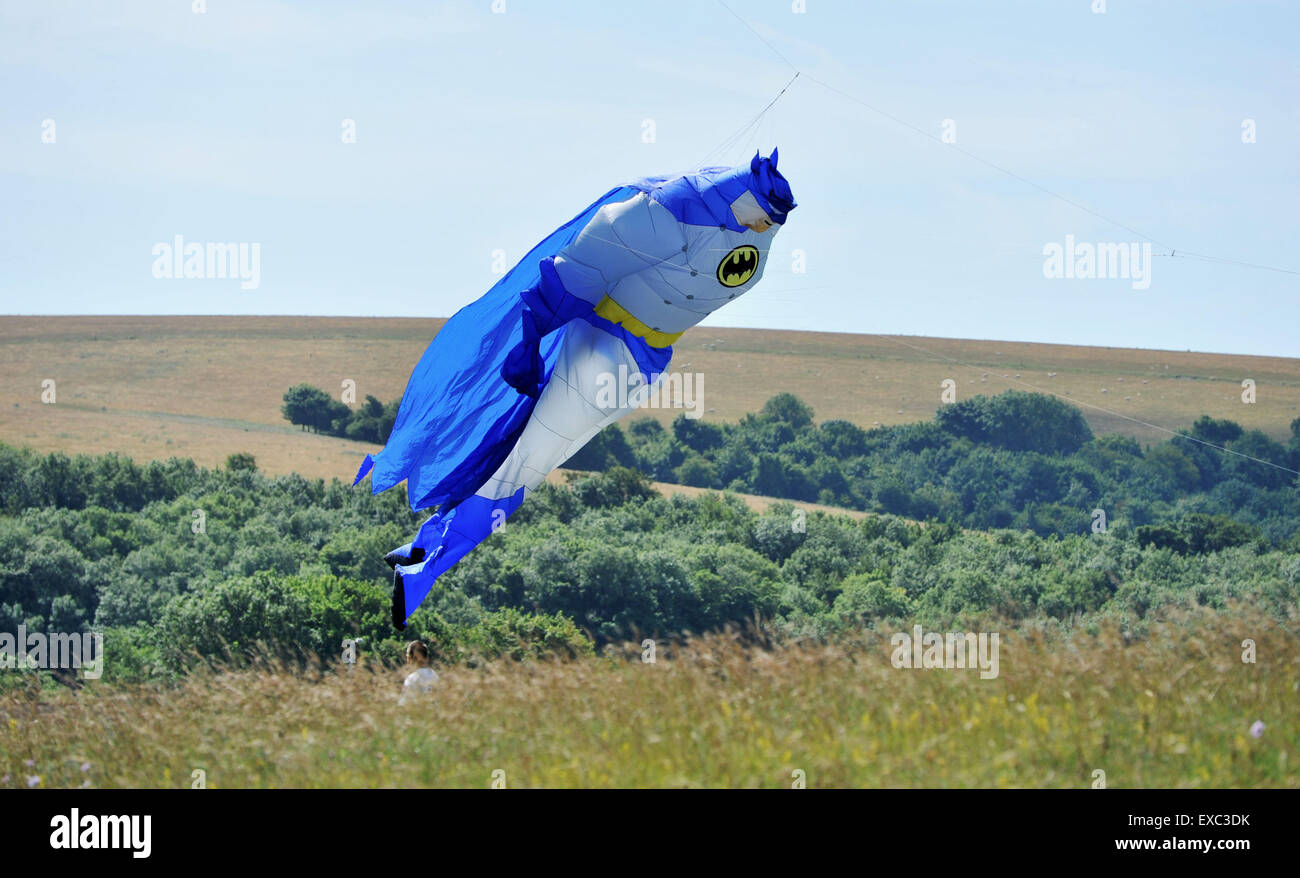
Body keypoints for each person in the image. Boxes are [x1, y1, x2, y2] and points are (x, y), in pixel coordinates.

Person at [358, 150, 798, 627]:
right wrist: (541, 318)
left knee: (525, 453)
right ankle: (427, 567)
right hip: (608, 356)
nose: (767, 224)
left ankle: (427, 543)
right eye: (765, 213)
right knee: (528, 465)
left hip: (633, 363)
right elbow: (588, 260)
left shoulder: (741, 231)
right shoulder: (674, 214)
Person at [398, 640, 438, 705]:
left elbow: (403, 705)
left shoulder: (411, 679)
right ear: (427, 657)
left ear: (409, 659)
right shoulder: (435, 676)